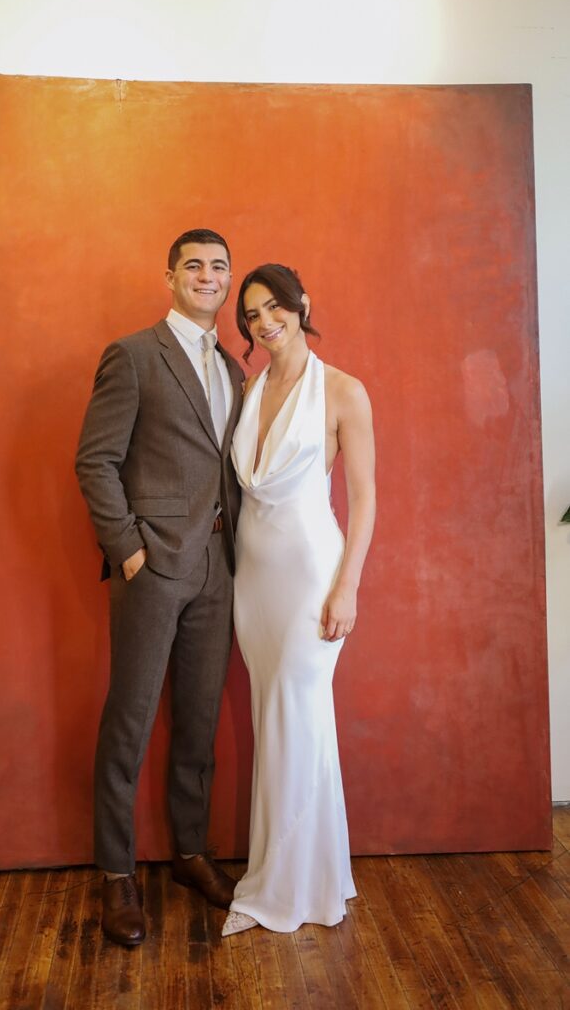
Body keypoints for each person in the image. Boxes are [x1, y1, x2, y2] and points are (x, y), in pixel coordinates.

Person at [76, 228, 245, 946]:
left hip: (217, 567)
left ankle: (189, 853)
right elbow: (95, 461)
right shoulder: (134, 355)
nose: (207, 277)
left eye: (218, 267)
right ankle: (118, 875)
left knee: (198, 723)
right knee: (132, 721)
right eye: (194, 266)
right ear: (170, 276)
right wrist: (128, 552)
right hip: (152, 569)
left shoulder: (236, 369)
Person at [223, 264, 376, 936]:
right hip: (252, 583)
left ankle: (294, 884)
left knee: (299, 716)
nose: (264, 321)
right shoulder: (250, 388)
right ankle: (307, 872)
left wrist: (348, 585)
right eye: (252, 314)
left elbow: (366, 499)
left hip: (313, 575)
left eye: (275, 306)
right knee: (278, 720)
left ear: (301, 305)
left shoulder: (343, 391)